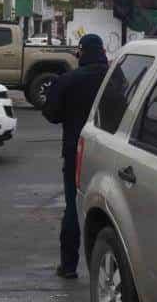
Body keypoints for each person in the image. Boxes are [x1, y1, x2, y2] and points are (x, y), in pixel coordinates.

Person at [43, 34, 109, 278]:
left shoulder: (68, 80)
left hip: (76, 151)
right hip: (111, 153)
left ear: (81, 53)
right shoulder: (114, 79)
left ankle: (69, 266)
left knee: (73, 206)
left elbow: (50, 113)